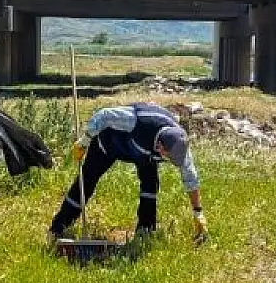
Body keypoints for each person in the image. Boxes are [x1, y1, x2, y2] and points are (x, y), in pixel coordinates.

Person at [48, 102, 209, 244]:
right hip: (109, 143)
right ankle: (58, 228)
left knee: (150, 183)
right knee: (87, 181)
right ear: (160, 146)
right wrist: (85, 140)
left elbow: (190, 177)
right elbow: (104, 115)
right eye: (167, 157)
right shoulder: (136, 120)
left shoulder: (178, 143)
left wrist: (198, 213)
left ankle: (145, 231)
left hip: (142, 153)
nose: (170, 162)